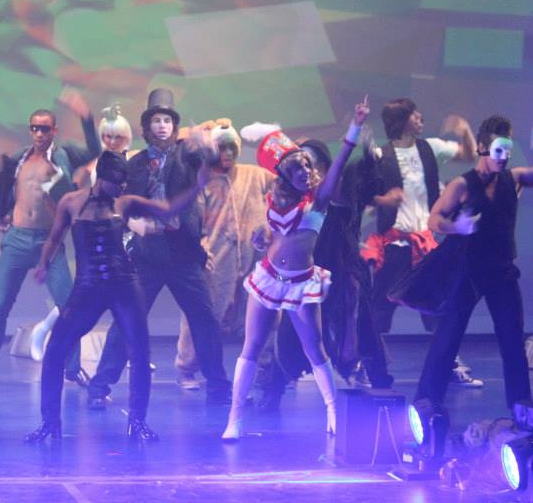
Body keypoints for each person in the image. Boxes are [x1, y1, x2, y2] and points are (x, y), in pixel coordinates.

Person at [26, 151, 210, 442]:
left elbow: (167, 209)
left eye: (125, 182)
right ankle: (50, 423)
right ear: (101, 178)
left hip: (124, 284)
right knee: (56, 349)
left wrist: (197, 186)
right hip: (88, 286)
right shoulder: (70, 202)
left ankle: (138, 423)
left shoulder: (124, 203)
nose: (122, 187)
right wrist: (42, 264)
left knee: (139, 351)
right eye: (117, 182)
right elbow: (54, 237)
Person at [221, 97, 370, 441]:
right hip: (269, 278)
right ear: (285, 177)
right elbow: (274, 234)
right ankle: (235, 418)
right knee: (251, 347)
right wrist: (262, 237)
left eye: (306, 165)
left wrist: (355, 126)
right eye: (297, 169)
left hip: (301, 284)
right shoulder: (279, 201)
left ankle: (332, 411)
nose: (305, 171)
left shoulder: (318, 200)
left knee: (315, 349)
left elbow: (340, 162)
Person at [85, 89, 231, 408]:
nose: (162, 125)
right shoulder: (136, 163)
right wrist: (132, 222)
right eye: (156, 120)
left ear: (174, 126)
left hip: (184, 255)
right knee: (126, 319)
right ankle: (99, 385)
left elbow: (208, 165)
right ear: (147, 127)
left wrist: (207, 148)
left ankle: (218, 386)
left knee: (204, 320)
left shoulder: (186, 155)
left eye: (167, 120)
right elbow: (121, 201)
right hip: (147, 255)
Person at [414, 116, 533, 413]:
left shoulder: (514, 179)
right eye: (498, 150)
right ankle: (426, 402)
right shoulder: (462, 185)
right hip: (468, 272)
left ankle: (520, 405)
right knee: (447, 338)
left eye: (508, 150)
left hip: (502, 271)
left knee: (512, 340)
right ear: (482, 148)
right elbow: (434, 219)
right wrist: (457, 227)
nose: (504, 156)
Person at [363, 99, 482, 388]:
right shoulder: (380, 156)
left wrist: (464, 130)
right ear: (402, 120)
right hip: (394, 247)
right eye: (414, 115)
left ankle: (449, 365)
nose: (420, 118)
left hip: (425, 246)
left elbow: (469, 154)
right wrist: (383, 200)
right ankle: (368, 367)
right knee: (378, 312)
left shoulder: (431, 148)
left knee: (438, 308)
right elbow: (364, 196)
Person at [0, 92, 100, 384]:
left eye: (44, 128)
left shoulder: (64, 155)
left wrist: (86, 116)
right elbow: (1, 186)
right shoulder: (18, 159)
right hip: (17, 239)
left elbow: (94, 150)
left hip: (49, 243)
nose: (39, 133)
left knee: (69, 306)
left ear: (54, 131)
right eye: (34, 128)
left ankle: (72, 368)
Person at [174, 120, 273, 391]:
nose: (227, 153)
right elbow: (193, 218)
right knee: (204, 314)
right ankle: (187, 367)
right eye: (222, 147)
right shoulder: (203, 179)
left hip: (254, 256)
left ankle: (265, 366)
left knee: (260, 314)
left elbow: (285, 187)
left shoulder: (255, 175)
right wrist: (201, 247)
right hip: (216, 257)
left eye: (232, 147)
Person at [31, 104, 134, 362]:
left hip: (127, 234)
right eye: (107, 136)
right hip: (98, 237)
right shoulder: (93, 166)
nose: (112, 141)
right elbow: (73, 198)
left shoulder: (133, 160)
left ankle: (130, 352)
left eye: (118, 137)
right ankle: (47, 333)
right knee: (81, 298)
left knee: (127, 301)